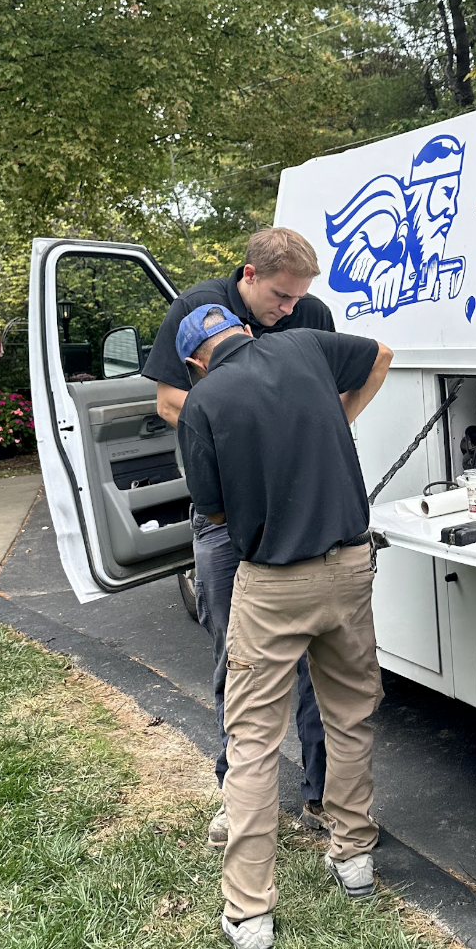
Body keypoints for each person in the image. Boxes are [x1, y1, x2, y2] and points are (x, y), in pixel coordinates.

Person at [176, 303, 393, 949]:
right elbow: (381, 353)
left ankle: (250, 915)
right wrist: (338, 420)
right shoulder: (306, 348)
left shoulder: (202, 402)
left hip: (273, 583)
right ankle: (353, 858)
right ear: (246, 332)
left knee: (252, 742)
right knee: (350, 715)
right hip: (352, 563)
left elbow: (210, 507)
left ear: (194, 362)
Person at [143, 226, 333, 837]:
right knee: (238, 655)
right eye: (280, 297)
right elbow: (170, 402)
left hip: (302, 507)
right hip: (224, 516)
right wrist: (255, 439)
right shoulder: (200, 310)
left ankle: (323, 797)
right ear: (248, 277)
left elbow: (334, 390)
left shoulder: (311, 314)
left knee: (313, 660)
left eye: (298, 299)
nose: (290, 310)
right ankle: (239, 795)